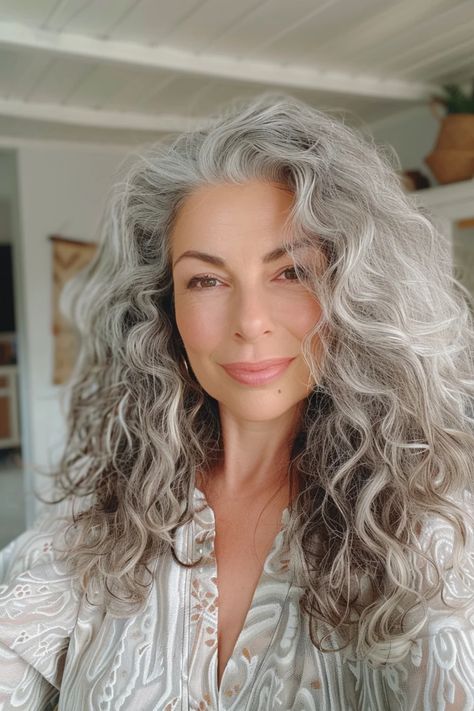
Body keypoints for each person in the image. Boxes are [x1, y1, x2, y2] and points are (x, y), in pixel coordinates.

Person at [1, 92, 473, 711]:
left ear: (357, 291)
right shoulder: (100, 513)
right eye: (207, 279)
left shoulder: (432, 530)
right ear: (163, 308)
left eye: (290, 272)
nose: (249, 322)